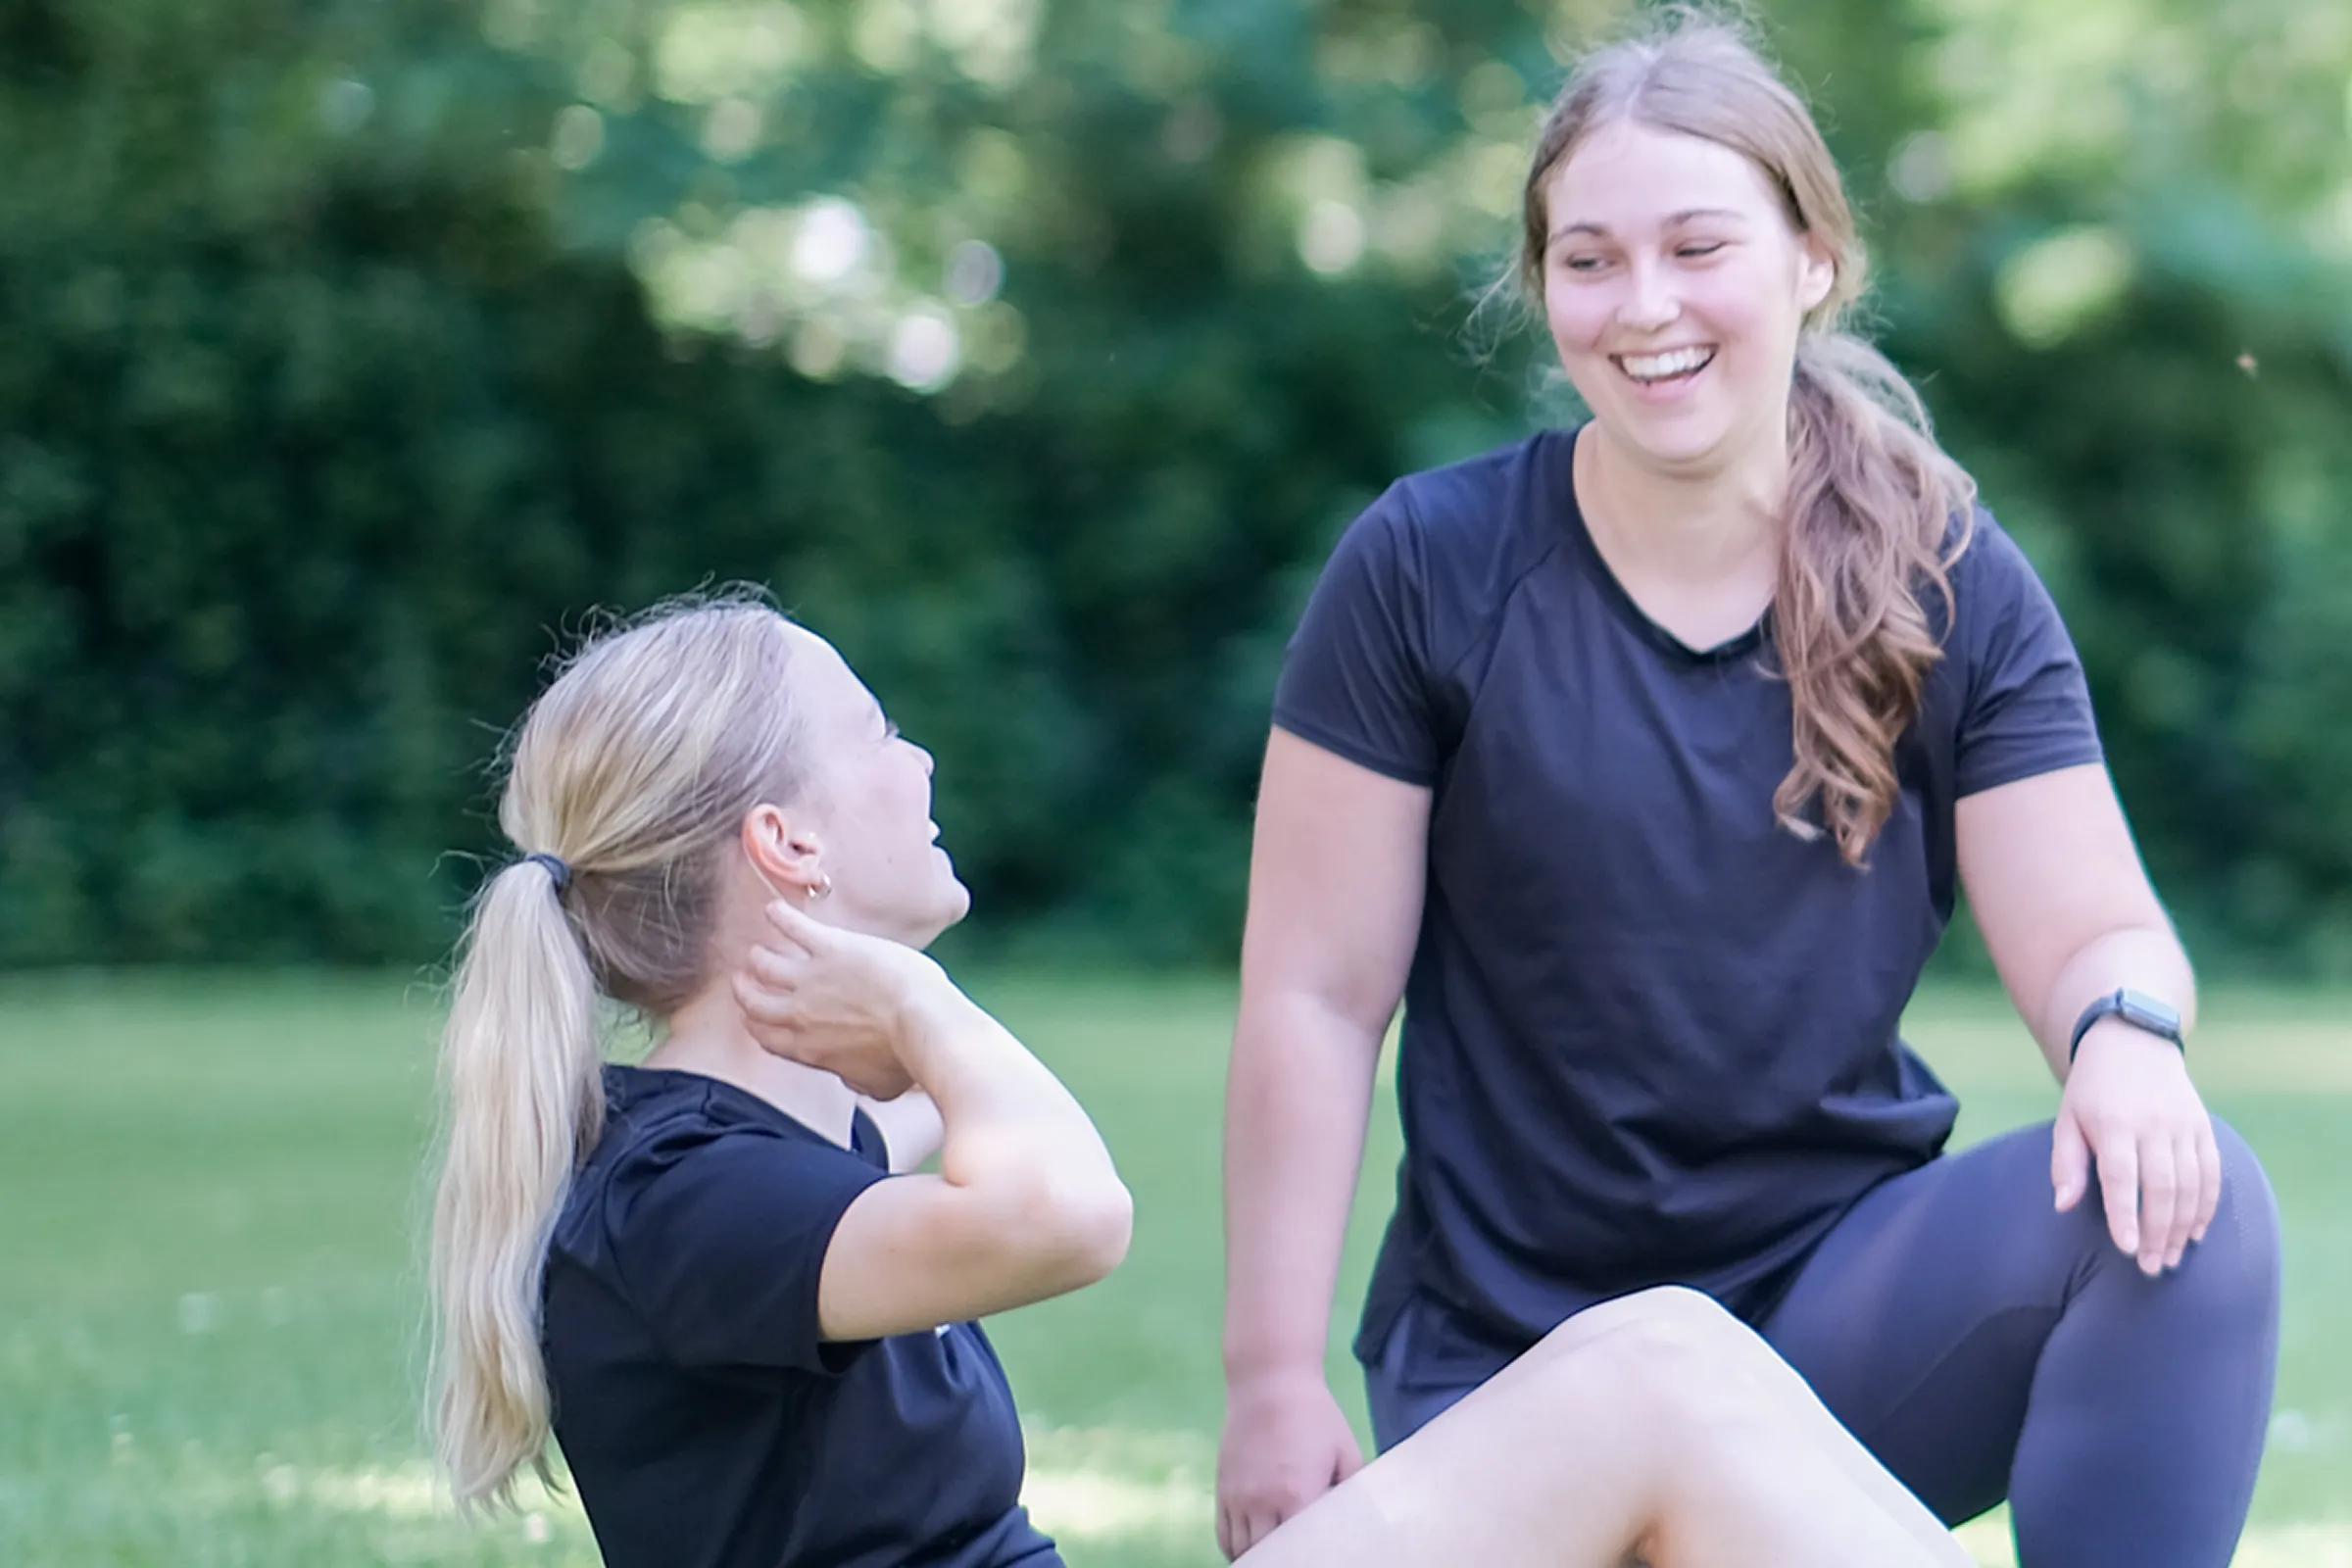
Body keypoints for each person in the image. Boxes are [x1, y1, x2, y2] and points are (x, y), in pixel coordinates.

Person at [1215, 14, 2282, 1568]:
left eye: (1697, 246)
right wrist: (1266, 1377)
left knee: (2189, 1204)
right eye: (1590, 260)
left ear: (1811, 259)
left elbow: (2100, 929)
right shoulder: (1426, 568)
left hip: (1834, 1334)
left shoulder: (1949, 578)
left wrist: (2127, 1038)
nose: (1644, 305)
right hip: (1512, 1366)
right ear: (1544, 288)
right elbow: (1315, 995)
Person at [425, 593, 1979, 1567]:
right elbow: (1067, 1213)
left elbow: (930, 1142)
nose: (920, 766)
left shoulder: (757, 1158)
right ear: (789, 845)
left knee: (1656, 1395)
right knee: (1655, 1374)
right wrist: (916, 998)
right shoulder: (684, 1202)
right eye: (878, 734)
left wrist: (895, 1031)